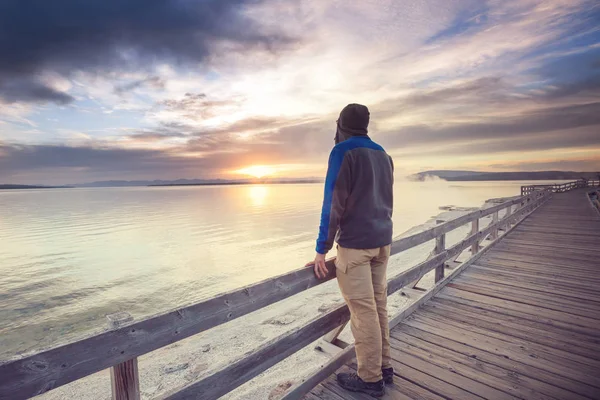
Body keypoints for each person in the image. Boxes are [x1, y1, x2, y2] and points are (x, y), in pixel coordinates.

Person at [309, 103, 394, 397]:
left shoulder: (342, 152)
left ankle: (370, 379)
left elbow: (333, 204)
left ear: (341, 125)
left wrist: (321, 249)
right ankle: (384, 367)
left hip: (356, 246)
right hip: (382, 242)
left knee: (363, 313)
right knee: (378, 305)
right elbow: (385, 198)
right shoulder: (383, 154)